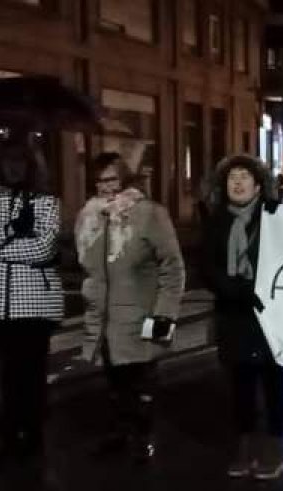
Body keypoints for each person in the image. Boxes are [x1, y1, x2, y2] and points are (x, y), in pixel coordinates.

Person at [0, 136, 63, 462]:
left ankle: (31, 435)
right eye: (9, 160)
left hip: (34, 304)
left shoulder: (45, 201)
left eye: (21, 160)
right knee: (8, 372)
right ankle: (12, 433)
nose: (14, 166)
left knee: (32, 371)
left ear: (31, 165)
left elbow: (42, 248)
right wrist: (8, 231)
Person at [76, 153, 185, 461]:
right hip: (106, 316)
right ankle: (120, 431)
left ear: (124, 179)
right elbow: (91, 267)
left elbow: (171, 265)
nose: (105, 187)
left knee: (142, 380)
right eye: (99, 181)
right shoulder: (90, 217)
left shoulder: (148, 213)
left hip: (142, 313)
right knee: (115, 381)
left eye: (110, 179)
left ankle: (143, 435)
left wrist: (165, 312)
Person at [200, 155, 283, 480]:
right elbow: (206, 265)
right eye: (232, 177)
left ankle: (274, 450)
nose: (237, 183)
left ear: (257, 183)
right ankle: (244, 448)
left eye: (244, 177)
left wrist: (260, 287)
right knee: (240, 385)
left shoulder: (276, 218)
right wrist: (232, 287)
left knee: (273, 383)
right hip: (233, 314)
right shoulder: (216, 221)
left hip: (270, 316)